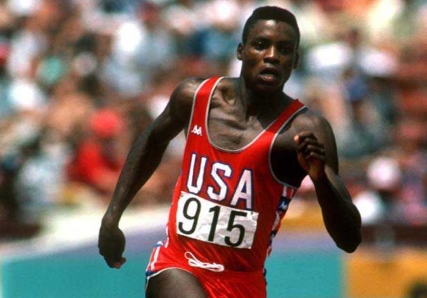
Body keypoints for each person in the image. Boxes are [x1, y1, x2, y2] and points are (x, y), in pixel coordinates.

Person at [98, 6, 362, 298]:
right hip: (178, 263)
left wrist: (320, 179)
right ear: (241, 51)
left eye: (284, 49)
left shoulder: (305, 130)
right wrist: (112, 216)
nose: (272, 55)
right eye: (261, 45)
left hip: (243, 283)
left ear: (296, 61)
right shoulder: (196, 98)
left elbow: (349, 239)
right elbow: (151, 141)